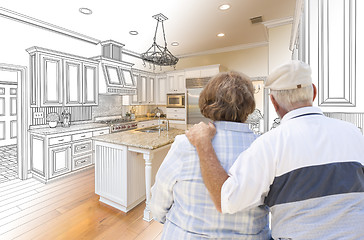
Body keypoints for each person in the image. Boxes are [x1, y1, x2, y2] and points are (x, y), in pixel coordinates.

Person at [186, 60, 364, 240]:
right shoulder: (355, 134)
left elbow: (227, 200)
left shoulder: (269, 145)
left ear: (273, 101)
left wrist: (203, 143)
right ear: (314, 92)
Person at [150, 71, 271, 239]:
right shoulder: (266, 149)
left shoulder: (184, 144)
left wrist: (170, 222)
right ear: (249, 105)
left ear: (206, 102)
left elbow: (159, 200)